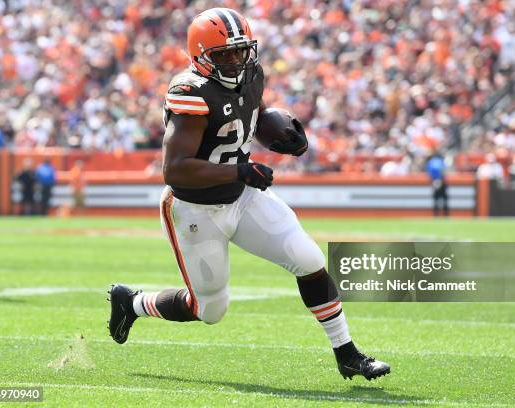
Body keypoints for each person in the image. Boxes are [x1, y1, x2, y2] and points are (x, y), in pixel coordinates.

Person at [108, 8, 390, 381]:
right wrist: (240, 169)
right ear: (200, 56)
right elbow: (175, 168)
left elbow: (249, 114)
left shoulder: (252, 74)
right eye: (224, 54)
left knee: (307, 258)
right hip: (194, 210)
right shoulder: (191, 93)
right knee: (209, 309)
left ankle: (348, 353)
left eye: (241, 52)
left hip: (242, 197)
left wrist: (277, 132)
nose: (236, 61)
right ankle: (132, 302)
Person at [425, 151, 449, 217]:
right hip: (441, 180)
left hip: (434, 180)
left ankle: (436, 214)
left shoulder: (430, 162)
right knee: (444, 198)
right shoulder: (441, 161)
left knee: (436, 198)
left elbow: (429, 172)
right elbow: (444, 171)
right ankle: (445, 214)